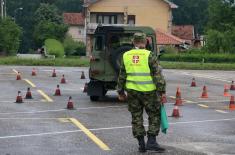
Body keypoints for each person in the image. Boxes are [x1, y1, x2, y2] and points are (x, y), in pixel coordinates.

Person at [117, 32, 166, 153]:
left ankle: (141, 144)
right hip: (149, 92)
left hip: (133, 92)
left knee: (136, 117)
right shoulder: (150, 55)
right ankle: (151, 141)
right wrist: (162, 91)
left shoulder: (126, 55)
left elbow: (122, 75)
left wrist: (120, 91)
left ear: (133, 42)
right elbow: (157, 75)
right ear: (145, 42)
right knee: (154, 115)